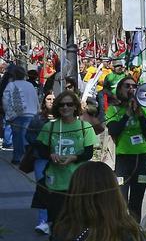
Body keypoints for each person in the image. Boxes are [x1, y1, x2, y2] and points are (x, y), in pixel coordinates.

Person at [32, 91, 97, 228]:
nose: (65, 107)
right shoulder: (50, 127)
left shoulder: (85, 127)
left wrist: (74, 158)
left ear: (75, 107)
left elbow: (88, 153)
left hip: (79, 184)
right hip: (55, 184)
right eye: (61, 105)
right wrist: (51, 155)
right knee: (57, 225)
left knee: (77, 225)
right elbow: (41, 149)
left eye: (69, 104)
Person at [107, 76, 146, 217]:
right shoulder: (113, 109)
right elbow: (113, 130)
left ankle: (135, 232)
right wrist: (127, 114)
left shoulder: (143, 107)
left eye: (134, 86)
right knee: (121, 200)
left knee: (136, 201)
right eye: (127, 86)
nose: (131, 89)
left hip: (142, 160)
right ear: (120, 89)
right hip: (124, 159)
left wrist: (140, 114)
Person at [27, 89, 56, 234]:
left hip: (60, 160)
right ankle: (43, 221)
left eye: (53, 99)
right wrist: (42, 144)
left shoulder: (63, 117)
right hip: (42, 158)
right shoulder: (38, 118)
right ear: (44, 101)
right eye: (48, 99)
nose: (51, 101)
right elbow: (29, 135)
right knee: (43, 188)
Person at [4, 63, 38, 165]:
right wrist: (38, 110)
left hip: (19, 114)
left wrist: (8, 114)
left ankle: (18, 157)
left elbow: (6, 100)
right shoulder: (30, 85)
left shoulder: (11, 85)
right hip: (32, 114)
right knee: (29, 137)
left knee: (18, 137)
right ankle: (29, 156)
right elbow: (35, 98)